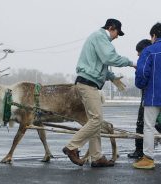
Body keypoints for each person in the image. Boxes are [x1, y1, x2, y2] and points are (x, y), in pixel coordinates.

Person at [62, 18, 135, 167]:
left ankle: (96, 157)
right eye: (117, 33)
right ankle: (71, 147)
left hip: (87, 83)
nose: (117, 37)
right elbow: (109, 58)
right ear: (111, 28)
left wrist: (113, 77)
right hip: (88, 84)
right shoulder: (100, 37)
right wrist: (131, 63)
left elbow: (100, 65)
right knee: (97, 120)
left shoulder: (97, 39)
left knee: (93, 121)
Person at [133, 22, 161, 169]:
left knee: (148, 127)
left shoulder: (149, 51)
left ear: (154, 36)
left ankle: (148, 159)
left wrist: (141, 84)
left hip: (154, 96)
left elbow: (143, 73)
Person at [127, 39, 152, 159]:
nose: (137, 54)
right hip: (151, 95)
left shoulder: (147, 58)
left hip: (148, 96)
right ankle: (140, 149)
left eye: (139, 51)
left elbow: (141, 80)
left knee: (142, 123)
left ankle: (140, 150)